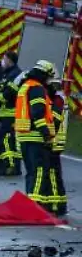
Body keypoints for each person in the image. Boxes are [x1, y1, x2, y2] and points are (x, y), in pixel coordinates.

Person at [15, 59, 56, 210]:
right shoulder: (37, 88)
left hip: (24, 136)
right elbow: (37, 113)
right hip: (36, 136)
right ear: (44, 74)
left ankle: (29, 203)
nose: (49, 80)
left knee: (31, 173)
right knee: (39, 171)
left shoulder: (25, 86)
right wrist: (46, 133)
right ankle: (35, 206)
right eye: (49, 76)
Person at [0, 51, 23, 175]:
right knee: (10, 140)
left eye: (4, 59)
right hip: (6, 113)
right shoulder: (8, 73)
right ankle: (14, 166)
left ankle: (10, 166)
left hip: (10, 114)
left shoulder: (14, 74)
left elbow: (9, 92)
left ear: (9, 60)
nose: (2, 62)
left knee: (6, 139)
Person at [47, 76, 69, 216]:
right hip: (57, 141)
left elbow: (54, 121)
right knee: (55, 174)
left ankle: (56, 205)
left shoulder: (58, 100)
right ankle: (60, 204)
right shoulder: (60, 98)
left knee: (53, 174)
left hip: (54, 141)